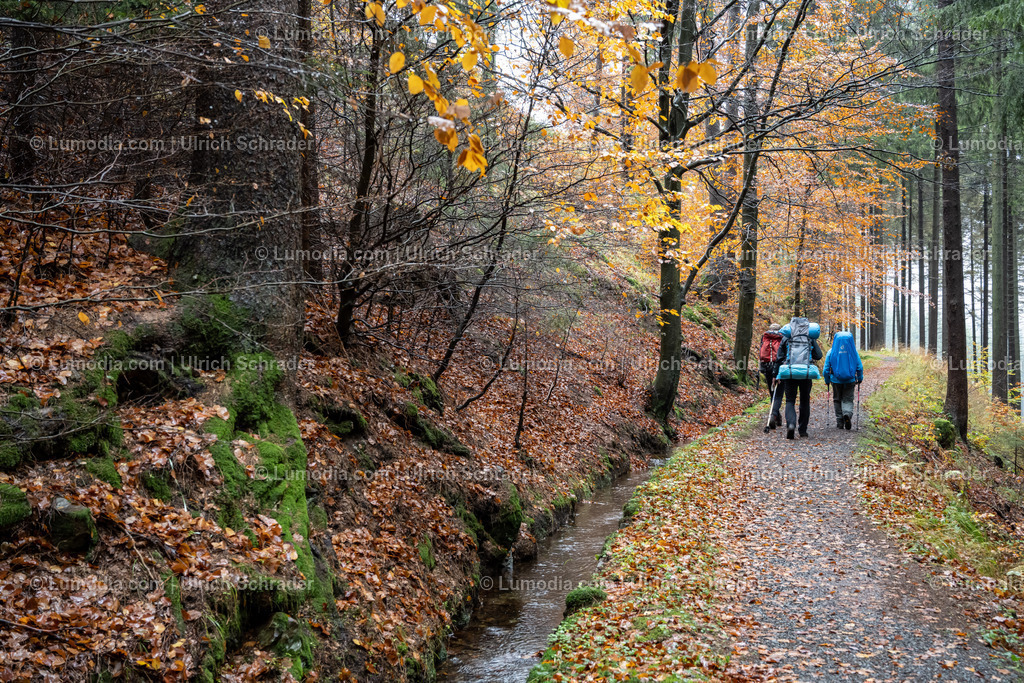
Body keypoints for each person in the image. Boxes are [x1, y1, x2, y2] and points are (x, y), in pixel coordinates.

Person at [775, 317, 823, 440]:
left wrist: (776, 374)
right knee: (804, 401)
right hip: (806, 374)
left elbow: (779, 357)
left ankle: (791, 424)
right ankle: (803, 431)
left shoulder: (787, 336)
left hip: (790, 373)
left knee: (790, 400)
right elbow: (818, 355)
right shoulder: (810, 337)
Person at [823, 330, 863, 430]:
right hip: (850, 380)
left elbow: (826, 369)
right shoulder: (853, 351)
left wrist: (827, 380)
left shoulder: (831, 351)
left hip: (835, 380)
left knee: (837, 399)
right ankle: (847, 414)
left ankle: (840, 422)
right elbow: (859, 366)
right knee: (848, 399)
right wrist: (860, 378)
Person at [758, 324, 785, 429]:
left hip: (767, 367)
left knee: (772, 391)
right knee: (779, 394)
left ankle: (776, 416)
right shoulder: (782, 337)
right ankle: (774, 415)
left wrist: (761, 368)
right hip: (780, 367)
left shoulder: (765, 336)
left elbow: (760, 352)